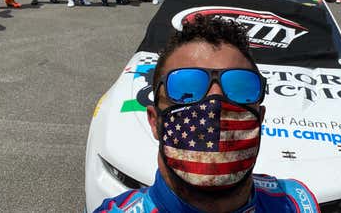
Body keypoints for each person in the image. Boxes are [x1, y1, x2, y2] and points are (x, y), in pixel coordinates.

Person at [94, 15, 320, 212]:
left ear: (260, 118)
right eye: (186, 88)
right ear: (154, 121)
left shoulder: (298, 203)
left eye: (239, 87)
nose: (215, 102)